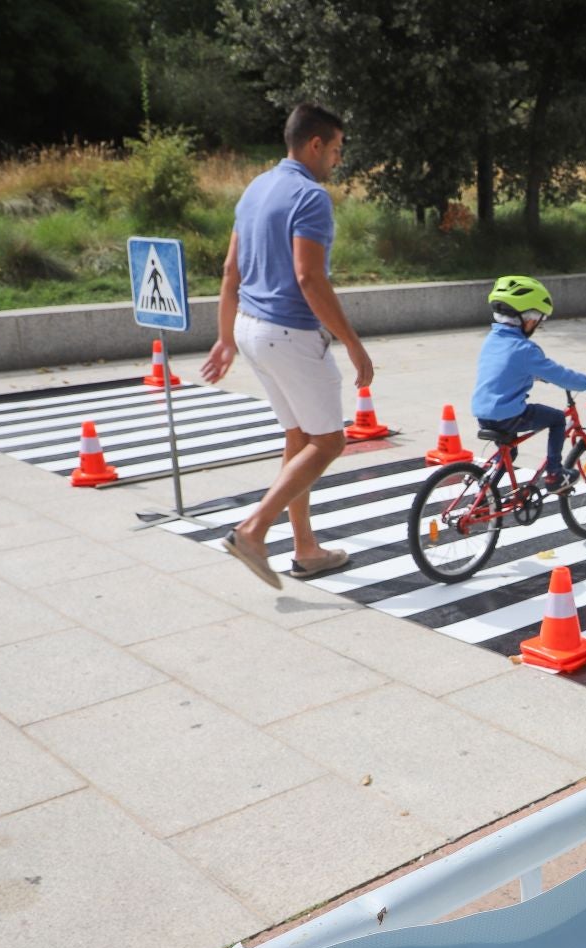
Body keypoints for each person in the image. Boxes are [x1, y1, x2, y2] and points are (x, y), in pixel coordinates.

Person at [200, 102, 374, 591]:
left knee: (299, 437)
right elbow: (308, 277)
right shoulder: (311, 197)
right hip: (290, 334)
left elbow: (231, 271)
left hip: (252, 330)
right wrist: (353, 344)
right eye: (336, 150)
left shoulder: (256, 188)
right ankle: (253, 531)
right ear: (314, 145)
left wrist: (224, 337)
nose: (337, 160)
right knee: (330, 441)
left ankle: (306, 550)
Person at [471, 275, 586, 492]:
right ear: (529, 318)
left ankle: (486, 492)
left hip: (483, 413)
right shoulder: (525, 349)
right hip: (508, 415)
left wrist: (532, 375)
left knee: (510, 452)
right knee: (556, 419)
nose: (537, 324)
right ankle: (554, 475)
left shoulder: (492, 339)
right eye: (538, 320)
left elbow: (504, 370)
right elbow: (562, 376)